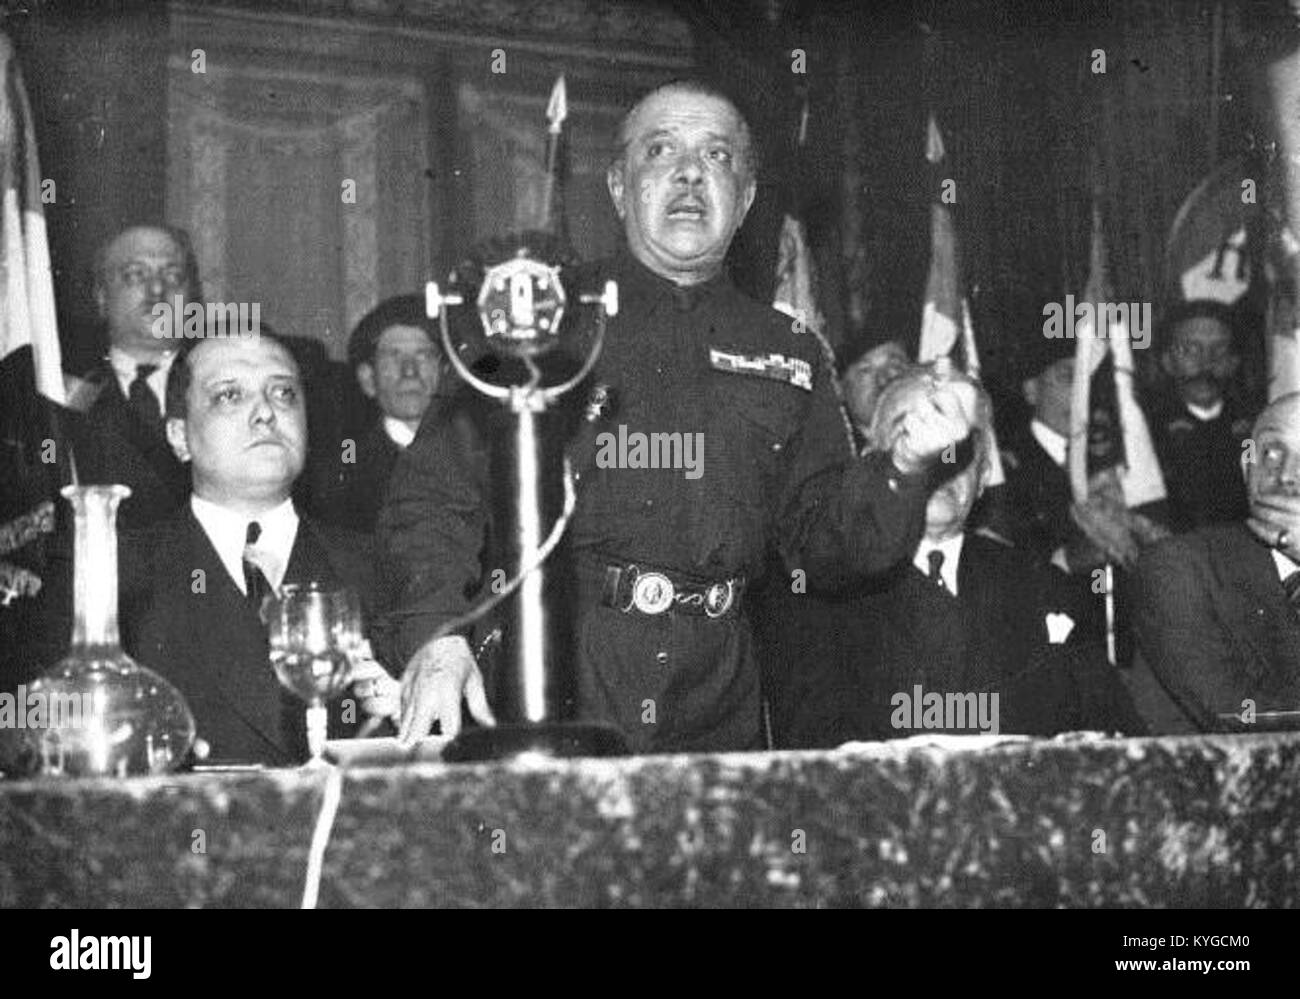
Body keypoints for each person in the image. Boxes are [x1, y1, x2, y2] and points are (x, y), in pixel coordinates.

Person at [379, 80, 974, 753]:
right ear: (617, 186)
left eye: (719, 157)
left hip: (720, 689)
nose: (691, 172)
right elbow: (430, 501)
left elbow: (826, 544)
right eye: (661, 151)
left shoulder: (788, 348)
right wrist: (438, 637)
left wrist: (902, 468)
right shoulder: (534, 320)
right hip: (558, 670)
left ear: (746, 199)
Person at [777, 362, 1144, 746]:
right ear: (874, 464)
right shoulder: (821, 592)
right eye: (914, 436)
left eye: (960, 446)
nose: (941, 461)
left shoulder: (1040, 585)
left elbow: (1118, 737)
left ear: (984, 472)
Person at [119, 331, 395, 765]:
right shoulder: (117, 575)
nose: (266, 412)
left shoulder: (382, 567)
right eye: (229, 395)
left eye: (283, 393)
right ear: (178, 435)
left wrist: (402, 717)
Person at [1131, 392, 1300, 732]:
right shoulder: (1179, 567)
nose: (1286, 475)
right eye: (1270, 451)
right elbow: (1240, 714)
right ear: (1245, 466)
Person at [62, 225, 199, 529]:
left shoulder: (220, 380)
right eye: (136, 275)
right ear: (101, 296)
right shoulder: (64, 395)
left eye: (173, 275)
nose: (157, 290)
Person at [318, 296, 445, 532]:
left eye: (423, 355)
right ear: (368, 379)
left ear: (443, 372)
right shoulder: (343, 478)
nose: (410, 371)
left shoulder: (481, 458)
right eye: (394, 357)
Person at [1143, 300, 1255, 533]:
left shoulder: (1257, 428)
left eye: (1219, 349)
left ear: (1234, 362)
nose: (1206, 363)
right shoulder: (1144, 432)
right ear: (1167, 361)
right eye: (1190, 350)